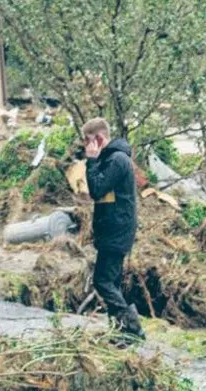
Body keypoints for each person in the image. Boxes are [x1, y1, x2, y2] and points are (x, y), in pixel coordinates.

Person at [81, 117, 145, 341]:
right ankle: (120, 331)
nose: (86, 146)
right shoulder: (110, 158)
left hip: (117, 231)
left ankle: (132, 329)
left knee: (103, 281)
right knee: (112, 282)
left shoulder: (117, 160)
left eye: (88, 140)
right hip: (111, 230)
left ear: (99, 139)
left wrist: (91, 161)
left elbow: (97, 190)